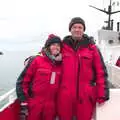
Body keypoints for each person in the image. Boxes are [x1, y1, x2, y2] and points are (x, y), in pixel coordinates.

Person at [57, 17, 109, 120]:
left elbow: (101, 71)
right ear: (70, 29)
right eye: (74, 27)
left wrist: (102, 94)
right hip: (65, 96)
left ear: (83, 30)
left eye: (80, 27)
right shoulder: (62, 46)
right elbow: (47, 54)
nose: (77, 29)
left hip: (85, 96)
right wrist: (31, 59)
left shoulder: (92, 48)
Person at [16, 34, 62, 120]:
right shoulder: (36, 60)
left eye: (58, 45)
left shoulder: (60, 65)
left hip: (51, 107)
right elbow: (22, 82)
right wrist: (24, 104)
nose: (56, 47)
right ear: (48, 46)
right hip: (34, 104)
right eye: (53, 45)